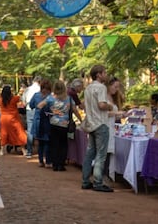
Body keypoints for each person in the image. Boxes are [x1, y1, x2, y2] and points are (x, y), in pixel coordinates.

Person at [81, 64, 116, 192]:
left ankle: (85, 180)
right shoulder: (101, 88)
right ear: (98, 74)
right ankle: (97, 182)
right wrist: (110, 106)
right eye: (104, 73)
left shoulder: (88, 88)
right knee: (101, 155)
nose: (105, 75)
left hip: (91, 124)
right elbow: (102, 105)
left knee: (89, 154)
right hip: (101, 123)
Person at [38, 80, 82, 172]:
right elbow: (75, 110)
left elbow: (39, 106)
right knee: (63, 144)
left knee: (54, 144)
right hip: (64, 124)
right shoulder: (69, 98)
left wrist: (50, 111)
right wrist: (81, 120)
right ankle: (61, 164)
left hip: (53, 123)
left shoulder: (51, 98)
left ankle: (55, 164)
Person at [0, 84, 27, 155]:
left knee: (4, 134)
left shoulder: (0, 100)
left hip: (4, 119)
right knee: (20, 133)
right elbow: (21, 99)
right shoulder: (14, 98)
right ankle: (24, 150)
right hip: (13, 118)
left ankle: (1, 150)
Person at [29, 78, 53, 167]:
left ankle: (40, 161)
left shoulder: (36, 95)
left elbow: (31, 105)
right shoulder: (51, 97)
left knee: (40, 142)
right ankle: (48, 161)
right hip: (48, 121)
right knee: (47, 142)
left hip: (38, 121)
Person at [22, 75, 41, 158]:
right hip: (38, 110)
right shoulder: (40, 89)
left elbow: (23, 102)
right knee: (40, 129)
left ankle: (29, 152)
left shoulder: (27, 89)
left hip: (29, 110)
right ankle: (41, 151)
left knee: (30, 131)